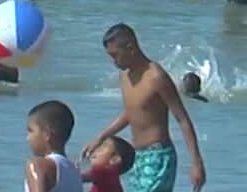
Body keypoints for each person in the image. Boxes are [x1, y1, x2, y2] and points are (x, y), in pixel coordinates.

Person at [84, 24, 206, 191]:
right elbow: (132, 112)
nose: (114, 62)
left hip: (159, 157)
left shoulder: (156, 77)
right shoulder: (125, 75)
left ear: (130, 47)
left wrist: (196, 163)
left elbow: (182, 119)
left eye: (115, 55)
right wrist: (101, 137)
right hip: (138, 158)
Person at [25, 100, 86, 192]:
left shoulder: (39, 165)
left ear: (47, 134)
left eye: (31, 131)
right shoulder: (75, 173)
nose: (28, 138)